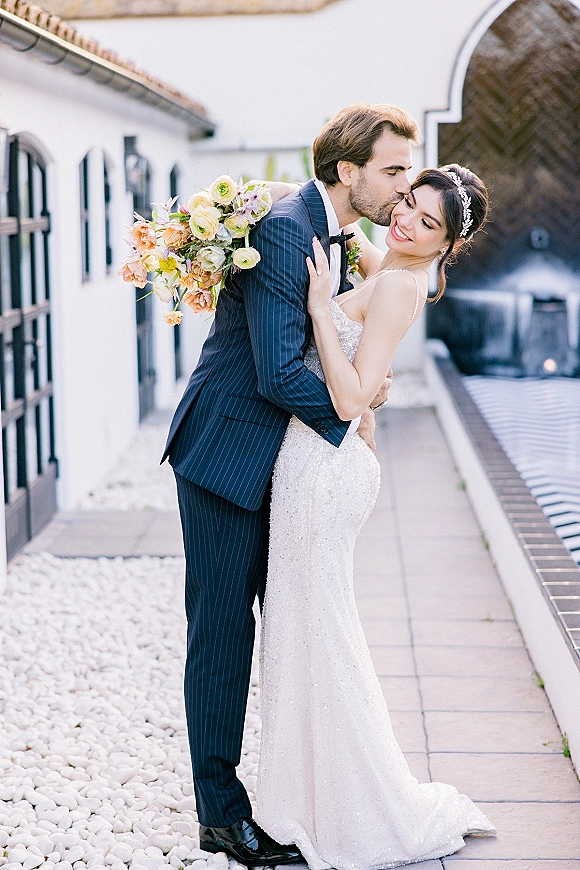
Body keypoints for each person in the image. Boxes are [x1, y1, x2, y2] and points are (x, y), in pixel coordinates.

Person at [163, 103, 421, 865]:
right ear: (348, 171)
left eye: (408, 172)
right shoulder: (286, 226)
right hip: (227, 452)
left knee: (289, 623)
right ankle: (220, 813)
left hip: (281, 455)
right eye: (394, 171)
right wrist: (353, 415)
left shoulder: (340, 230)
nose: (402, 189)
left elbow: (387, 301)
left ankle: (291, 792)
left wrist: (365, 383)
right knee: (221, 631)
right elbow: (277, 372)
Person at [254, 164, 496, 867]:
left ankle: (354, 806)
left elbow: (355, 397)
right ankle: (301, 794)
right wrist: (263, 200)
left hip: (328, 467)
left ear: (446, 245)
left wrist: (318, 312)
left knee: (319, 630)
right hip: (314, 465)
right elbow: (343, 220)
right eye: (409, 205)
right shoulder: (387, 260)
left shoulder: (398, 283)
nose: (408, 224)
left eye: (428, 225)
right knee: (302, 625)